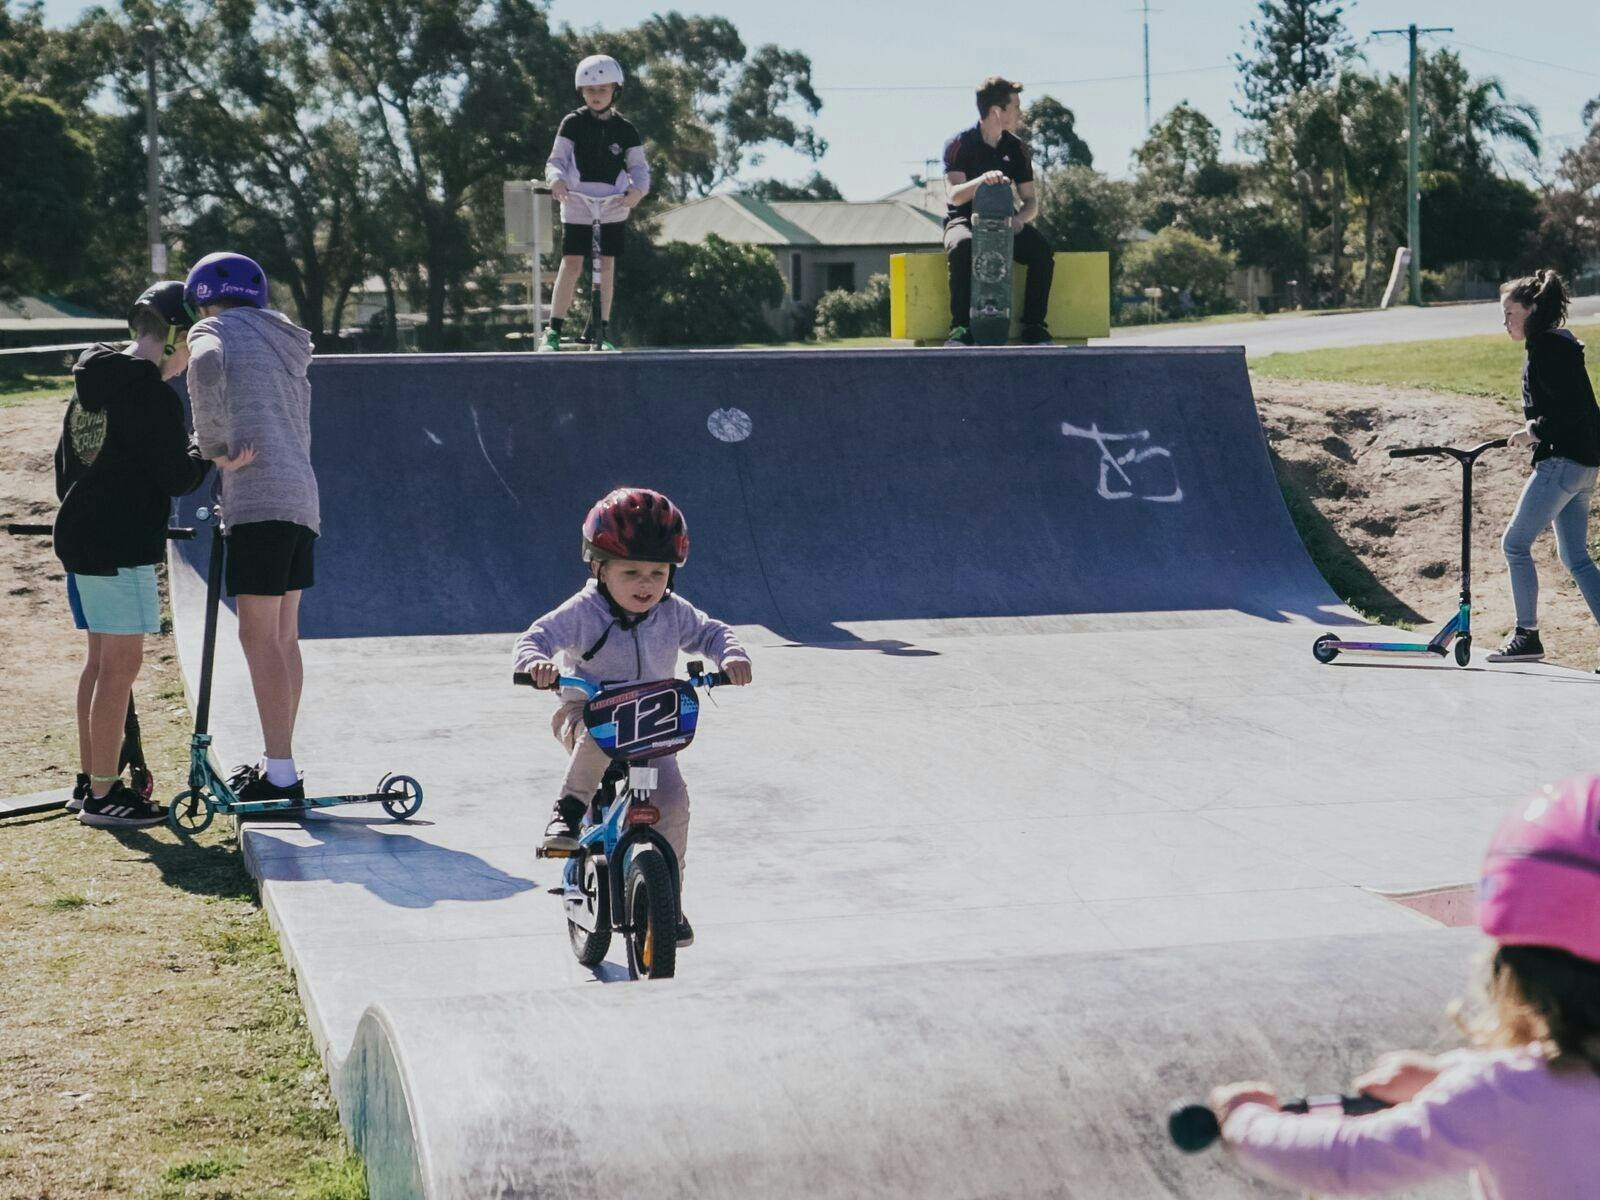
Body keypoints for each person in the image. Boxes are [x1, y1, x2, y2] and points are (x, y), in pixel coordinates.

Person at [1209, 774, 1600, 1197]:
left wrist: (1245, 1122)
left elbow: (1351, 1160)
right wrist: (1444, 1075)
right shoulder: (1502, 1092)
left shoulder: (1501, 1097)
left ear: (1509, 968)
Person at [512, 488, 752, 946]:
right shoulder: (584, 612)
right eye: (631, 572)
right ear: (599, 569)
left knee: (674, 802)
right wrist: (536, 665)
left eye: (657, 573)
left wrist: (731, 654)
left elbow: (710, 632)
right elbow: (536, 637)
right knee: (600, 738)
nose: (646, 584)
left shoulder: (672, 612)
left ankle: (671, 902)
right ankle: (567, 812)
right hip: (587, 713)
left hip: (652, 722)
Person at [53, 282, 214, 827]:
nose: (187, 362)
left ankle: (89, 779)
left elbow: (65, 467)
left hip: (82, 537)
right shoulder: (148, 394)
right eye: (190, 347)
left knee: (101, 665)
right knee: (120, 667)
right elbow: (179, 475)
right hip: (119, 544)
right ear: (173, 337)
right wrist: (206, 449)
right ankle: (102, 795)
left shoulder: (91, 382)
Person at [184, 251, 320, 809]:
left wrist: (213, 448)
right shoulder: (284, 339)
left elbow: (205, 365)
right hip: (301, 497)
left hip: (258, 497)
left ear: (205, 297)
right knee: (284, 637)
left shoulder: (212, 330)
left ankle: (283, 775)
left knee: (257, 636)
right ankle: (278, 762)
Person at [1486, 270, 1600, 663]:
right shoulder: (1562, 347)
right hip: (1583, 466)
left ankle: (1526, 635)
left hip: (1561, 464)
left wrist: (1529, 432)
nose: (1506, 323)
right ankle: (1528, 635)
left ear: (1532, 309)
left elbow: (1566, 413)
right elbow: (1586, 410)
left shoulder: (1545, 350)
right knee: (1576, 558)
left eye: (1510, 314)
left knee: (1514, 544)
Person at [539, 54, 650, 353]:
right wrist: (557, 181)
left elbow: (639, 168)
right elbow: (556, 161)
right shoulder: (572, 123)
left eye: (603, 89)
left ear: (615, 90)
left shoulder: (625, 129)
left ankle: (600, 332)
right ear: (582, 92)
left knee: (607, 265)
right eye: (590, 90)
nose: (596, 95)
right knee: (572, 263)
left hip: (613, 204)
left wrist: (637, 191)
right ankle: (553, 331)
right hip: (577, 201)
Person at [941, 75, 1056, 347]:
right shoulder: (959, 144)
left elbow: (1030, 202)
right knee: (962, 247)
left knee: (1041, 251)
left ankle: (1034, 326)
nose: (1020, 112)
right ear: (997, 111)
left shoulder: (1016, 148)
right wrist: (982, 180)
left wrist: (1019, 220)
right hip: (964, 220)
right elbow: (954, 196)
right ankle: (960, 329)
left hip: (1004, 221)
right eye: (1015, 107)